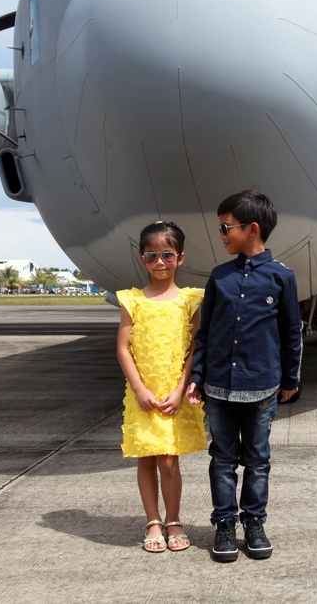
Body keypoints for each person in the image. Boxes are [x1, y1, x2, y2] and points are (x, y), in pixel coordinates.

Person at [187, 190, 303, 563]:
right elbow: (205, 334)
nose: (220, 234)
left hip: (262, 386)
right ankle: (224, 524)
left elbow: (291, 333)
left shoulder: (282, 277)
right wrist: (197, 375)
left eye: (226, 227)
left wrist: (290, 379)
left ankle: (254, 522)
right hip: (218, 387)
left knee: (257, 459)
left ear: (252, 229)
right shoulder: (219, 277)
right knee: (222, 459)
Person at [116, 221, 207, 553]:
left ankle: (173, 519)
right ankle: (152, 520)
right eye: (151, 255)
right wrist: (139, 388)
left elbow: (196, 347)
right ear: (142, 259)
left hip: (174, 393)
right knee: (146, 457)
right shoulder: (133, 300)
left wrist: (181, 388)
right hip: (143, 394)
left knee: (169, 458)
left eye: (167, 254)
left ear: (180, 258)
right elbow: (123, 348)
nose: (159, 262)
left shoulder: (189, 300)